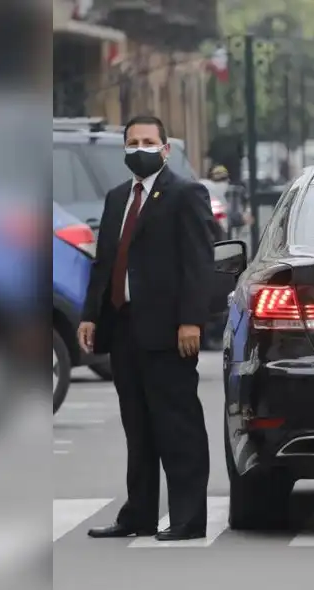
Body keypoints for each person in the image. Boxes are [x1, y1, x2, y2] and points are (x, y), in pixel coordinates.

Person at [77, 115, 215, 541]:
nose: (141, 147)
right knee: (137, 427)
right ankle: (137, 514)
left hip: (170, 331)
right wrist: (90, 314)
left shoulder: (185, 194)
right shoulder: (118, 197)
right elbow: (104, 264)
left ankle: (188, 519)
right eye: (133, 141)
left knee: (177, 427)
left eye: (149, 141)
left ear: (165, 149)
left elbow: (198, 264)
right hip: (124, 328)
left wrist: (191, 320)